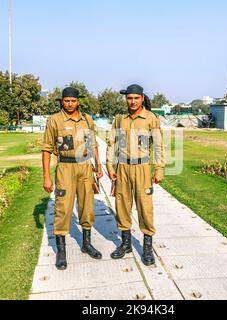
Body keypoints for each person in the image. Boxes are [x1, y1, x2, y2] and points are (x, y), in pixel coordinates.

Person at [42, 87, 104, 271]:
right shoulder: (55, 120)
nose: (70, 104)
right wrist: (46, 176)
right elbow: (46, 149)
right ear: (62, 101)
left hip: (85, 166)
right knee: (63, 206)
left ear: (78, 102)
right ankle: (61, 252)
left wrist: (98, 165)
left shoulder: (87, 120)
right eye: (66, 100)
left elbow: (92, 145)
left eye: (73, 101)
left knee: (87, 205)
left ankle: (86, 243)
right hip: (65, 167)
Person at [106, 84, 166, 266]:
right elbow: (111, 143)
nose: (132, 102)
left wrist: (159, 168)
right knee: (122, 205)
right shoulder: (119, 119)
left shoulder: (151, 118)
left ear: (142, 98)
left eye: (136, 98)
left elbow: (158, 145)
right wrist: (109, 164)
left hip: (143, 168)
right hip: (123, 167)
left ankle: (147, 247)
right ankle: (126, 244)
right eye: (129, 98)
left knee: (145, 208)